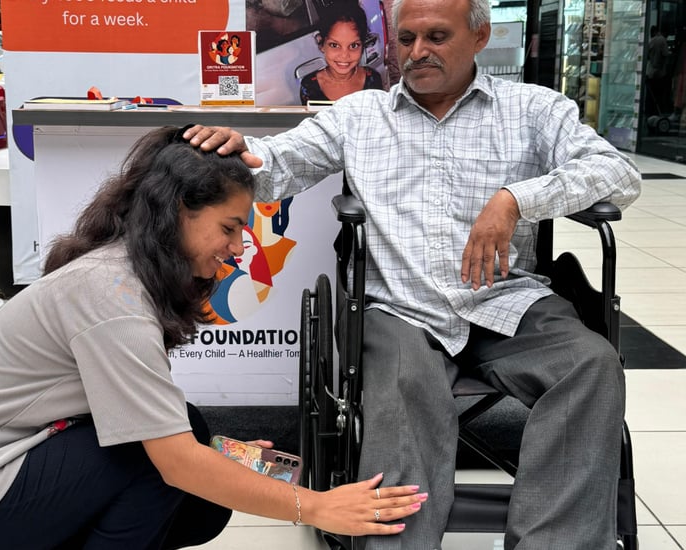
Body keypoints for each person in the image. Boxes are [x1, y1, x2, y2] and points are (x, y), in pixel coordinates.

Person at [184, 0, 643, 547]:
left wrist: (518, 199)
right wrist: (242, 153)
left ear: (479, 37)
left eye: (437, 37)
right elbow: (279, 161)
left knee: (590, 365)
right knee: (404, 386)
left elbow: (617, 173)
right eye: (406, 39)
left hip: (505, 300)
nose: (418, 51)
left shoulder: (533, 109)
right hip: (399, 308)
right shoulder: (361, 115)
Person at [0, 126, 426, 549]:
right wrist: (316, 507)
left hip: (11, 466)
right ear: (180, 210)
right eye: (229, 228)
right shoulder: (111, 297)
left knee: (190, 440)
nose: (238, 248)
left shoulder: (123, 269)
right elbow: (176, 463)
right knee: (162, 462)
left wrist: (216, 457)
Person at [300, 1, 384, 103]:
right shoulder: (309, 87)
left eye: (353, 45)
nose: (344, 55)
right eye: (334, 45)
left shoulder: (373, 80)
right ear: (321, 44)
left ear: (362, 45)